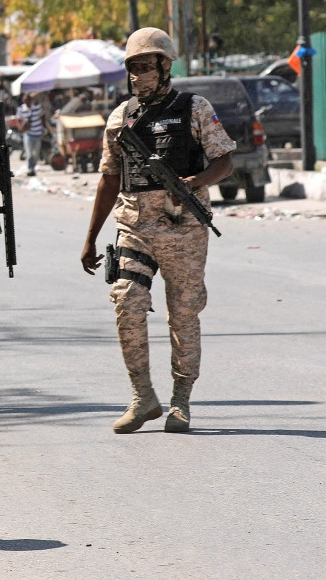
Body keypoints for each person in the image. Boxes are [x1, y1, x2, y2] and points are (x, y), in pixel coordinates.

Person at [80, 27, 235, 434]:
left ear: (165, 67)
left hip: (183, 228)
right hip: (135, 226)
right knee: (127, 301)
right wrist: (90, 237)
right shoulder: (121, 118)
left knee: (183, 315)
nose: (139, 76)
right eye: (133, 69)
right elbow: (109, 179)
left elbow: (225, 162)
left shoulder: (194, 108)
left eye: (146, 67)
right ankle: (143, 396)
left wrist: (195, 182)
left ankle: (180, 401)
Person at [21, 93, 46, 176]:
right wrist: (22, 128)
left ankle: (33, 167)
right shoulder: (22, 109)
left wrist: (44, 128)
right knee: (29, 153)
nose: (27, 103)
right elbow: (18, 119)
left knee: (36, 154)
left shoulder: (37, 108)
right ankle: (30, 169)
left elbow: (43, 117)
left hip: (37, 133)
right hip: (28, 134)